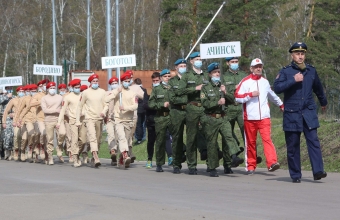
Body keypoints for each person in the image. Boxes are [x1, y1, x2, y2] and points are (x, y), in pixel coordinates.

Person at [274, 42, 328, 183]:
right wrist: (293, 80)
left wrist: (323, 102)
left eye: (302, 54)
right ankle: (296, 174)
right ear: (292, 55)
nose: (300, 56)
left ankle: (318, 171)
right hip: (292, 113)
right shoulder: (286, 71)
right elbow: (277, 88)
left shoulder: (311, 70)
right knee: (293, 145)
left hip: (308, 112)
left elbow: (318, 88)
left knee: (314, 142)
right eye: (297, 54)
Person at [235, 58, 283, 175]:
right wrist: (250, 94)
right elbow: (237, 97)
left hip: (264, 117)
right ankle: (251, 166)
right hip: (249, 118)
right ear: (251, 69)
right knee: (251, 142)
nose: (258, 68)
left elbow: (272, 95)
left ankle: (272, 163)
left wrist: (281, 104)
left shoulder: (265, 82)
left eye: (260, 66)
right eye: (256, 67)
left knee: (267, 139)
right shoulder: (245, 82)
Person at [201, 63, 244, 177]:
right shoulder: (205, 88)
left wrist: (225, 92)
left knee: (229, 136)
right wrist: (217, 102)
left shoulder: (223, 86)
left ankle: (234, 156)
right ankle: (212, 167)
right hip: (211, 118)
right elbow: (204, 103)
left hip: (223, 117)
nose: (217, 74)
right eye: (215, 72)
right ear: (210, 74)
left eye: (219, 72)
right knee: (212, 143)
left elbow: (233, 99)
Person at [176, 52, 209, 175]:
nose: (199, 61)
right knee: (192, 137)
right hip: (192, 107)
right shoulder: (187, 76)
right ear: (191, 61)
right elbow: (180, 91)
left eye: (200, 59)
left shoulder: (206, 75)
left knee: (209, 135)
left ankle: (211, 165)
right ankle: (191, 165)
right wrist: (195, 88)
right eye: (197, 59)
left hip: (206, 108)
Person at [104, 72, 137, 169]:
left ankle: (121, 159)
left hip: (128, 120)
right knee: (121, 138)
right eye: (125, 81)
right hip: (118, 119)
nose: (127, 82)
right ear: (121, 82)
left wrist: (126, 108)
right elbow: (106, 99)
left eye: (128, 81)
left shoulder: (132, 93)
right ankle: (126, 155)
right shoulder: (117, 92)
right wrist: (116, 92)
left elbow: (135, 105)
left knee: (126, 140)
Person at [76, 74, 107, 167]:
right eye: (93, 81)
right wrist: (78, 120)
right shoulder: (85, 92)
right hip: (89, 118)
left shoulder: (102, 92)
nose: (95, 83)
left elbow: (106, 104)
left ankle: (94, 156)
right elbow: (80, 106)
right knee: (92, 138)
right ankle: (96, 156)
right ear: (90, 82)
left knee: (98, 139)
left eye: (97, 81)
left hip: (99, 118)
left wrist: (104, 112)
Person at [57, 79, 86, 167]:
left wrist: (83, 113)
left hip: (82, 119)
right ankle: (75, 158)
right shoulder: (68, 97)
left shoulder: (83, 95)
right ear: (72, 88)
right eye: (76, 87)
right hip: (73, 120)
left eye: (79, 87)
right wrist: (59, 122)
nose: (78, 89)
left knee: (83, 140)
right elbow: (62, 110)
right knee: (74, 140)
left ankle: (77, 152)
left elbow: (87, 106)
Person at [148, 69, 173, 172]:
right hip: (161, 117)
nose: (167, 78)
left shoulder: (174, 88)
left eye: (169, 76)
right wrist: (161, 105)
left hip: (172, 117)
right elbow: (151, 104)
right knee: (160, 141)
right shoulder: (157, 89)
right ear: (161, 78)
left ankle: (175, 163)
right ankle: (159, 163)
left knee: (175, 139)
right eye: (165, 76)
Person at [168, 59, 188, 173]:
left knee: (192, 137)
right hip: (176, 112)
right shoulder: (172, 82)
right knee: (177, 138)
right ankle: (176, 163)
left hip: (190, 111)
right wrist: (186, 99)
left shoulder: (190, 80)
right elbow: (172, 98)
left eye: (185, 65)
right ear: (176, 68)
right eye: (181, 66)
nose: (183, 67)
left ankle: (192, 164)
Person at [41, 82, 66, 165]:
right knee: (50, 139)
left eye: (53, 88)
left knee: (62, 133)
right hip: (48, 120)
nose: (52, 89)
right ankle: (50, 156)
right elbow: (45, 110)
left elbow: (63, 107)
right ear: (48, 89)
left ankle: (59, 147)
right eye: (51, 88)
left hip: (59, 119)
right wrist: (55, 110)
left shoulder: (60, 97)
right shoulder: (44, 98)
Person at [30, 80, 47, 163]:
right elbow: (31, 103)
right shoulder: (37, 95)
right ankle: (37, 147)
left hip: (48, 119)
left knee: (47, 136)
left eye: (44, 85)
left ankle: (45, 152)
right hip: (39, 118)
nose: (43, 87)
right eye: (41, 86)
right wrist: (40, 102)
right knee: (38, 134)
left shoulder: (50, 95)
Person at [105, 76, 119, 166]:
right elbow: (104, 104)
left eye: (116, 83)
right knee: (111, 136)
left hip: (119, 118)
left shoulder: (121, 93)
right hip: (109, 118)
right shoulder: (107, 94)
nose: (114, 85)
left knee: (117, 138)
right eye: (112, 83)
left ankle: (115, 157)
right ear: (110, 85)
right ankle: (112, 151)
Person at [134, 78, 147, 144]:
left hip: (138, 109)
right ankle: (143, 137)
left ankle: (139, 139)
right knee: (143, 124)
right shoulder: (144, 89)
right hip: (144, 109)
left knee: (138, 124)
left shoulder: (135, 90)